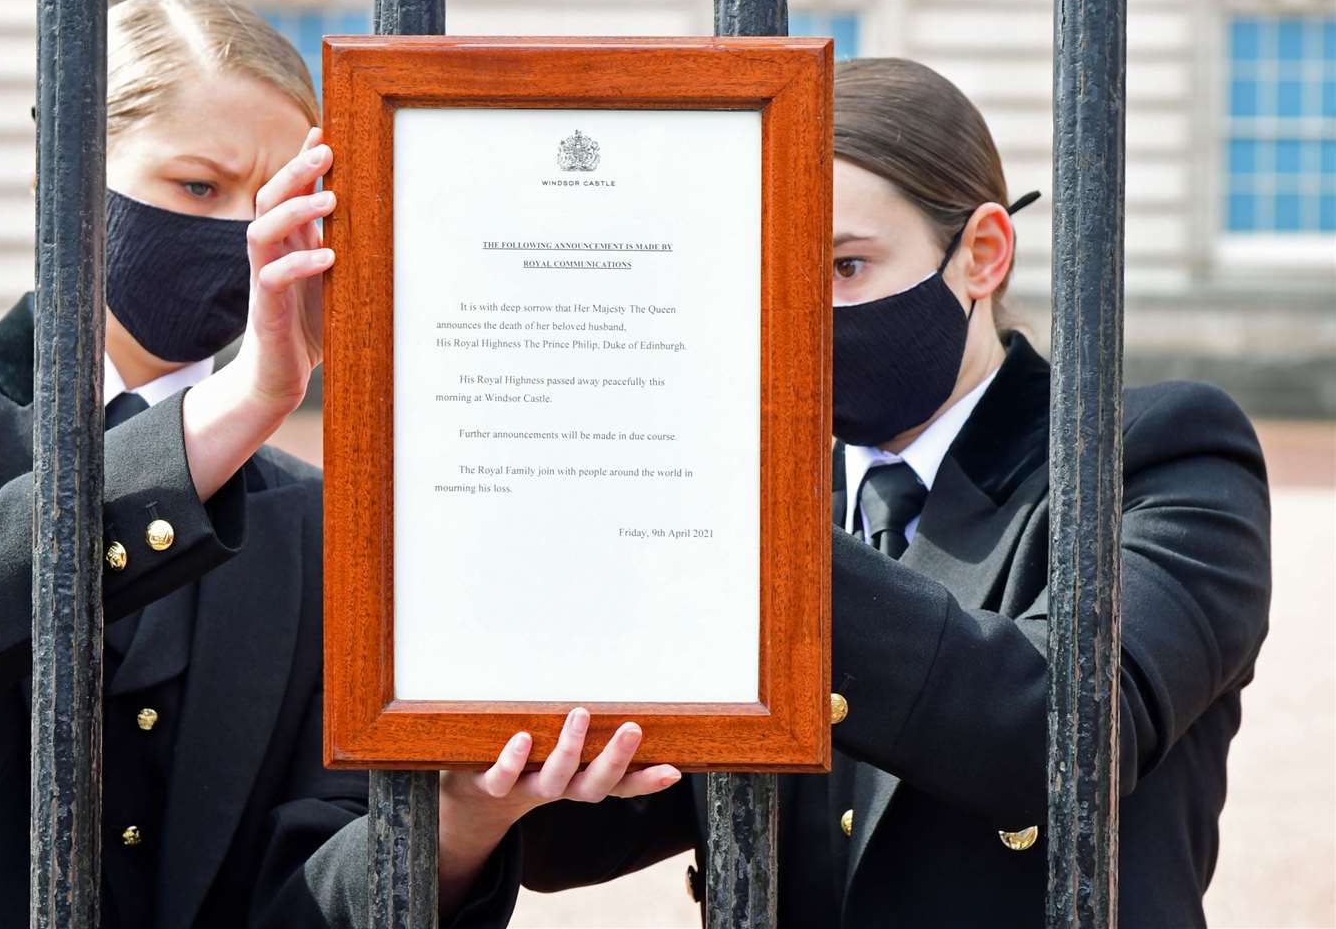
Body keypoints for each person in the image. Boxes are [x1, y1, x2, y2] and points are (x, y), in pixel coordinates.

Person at [0, 0, 680, 928]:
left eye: (277, 202)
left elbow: (297, 899)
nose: (245, 237)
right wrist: (243, 405)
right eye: (197, 188)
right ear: (66, 174)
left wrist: (456, 819)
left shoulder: (315, 522)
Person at [517, 57, 1273, 927]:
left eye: (844, 267)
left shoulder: (1155, 454)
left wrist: (747, 528)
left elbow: (1063, 737)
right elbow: (588, 834)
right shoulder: (755, 491)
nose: (798, 310)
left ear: (981, 254)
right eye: (765, 273)